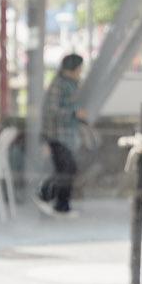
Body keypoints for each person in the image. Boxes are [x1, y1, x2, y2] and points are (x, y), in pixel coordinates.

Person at [35, 54, 88, 218]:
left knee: (66, 169)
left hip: (67, 135)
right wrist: (74, 113)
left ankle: (58, 203)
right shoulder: (59, 85)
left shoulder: (72, 84)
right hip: (57, 134)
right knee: (66, 169)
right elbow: (51, 111)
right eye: (79, 67)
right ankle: (47, 197)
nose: (81, 71)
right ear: (72, 68)